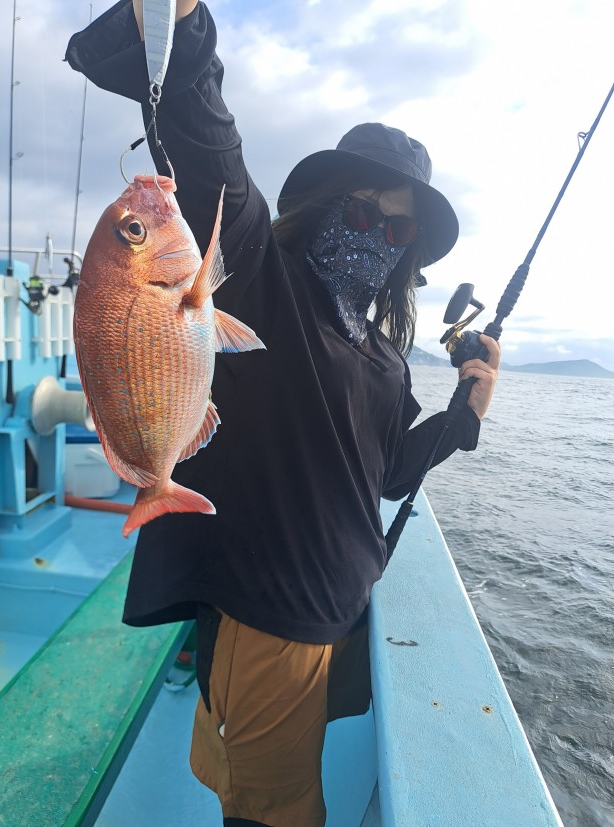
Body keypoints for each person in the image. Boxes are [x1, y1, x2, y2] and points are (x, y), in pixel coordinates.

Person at [67, 2, 500, 825]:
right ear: (326, 204)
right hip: (273, 624)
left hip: (340, 613)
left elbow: (388, 471)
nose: (380, 236)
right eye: (365, 212)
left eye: (399, 230)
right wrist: (185, 31)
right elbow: (211, 154)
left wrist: (464, 414)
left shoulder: (380, 352)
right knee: (273, 814)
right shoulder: (266, 276)